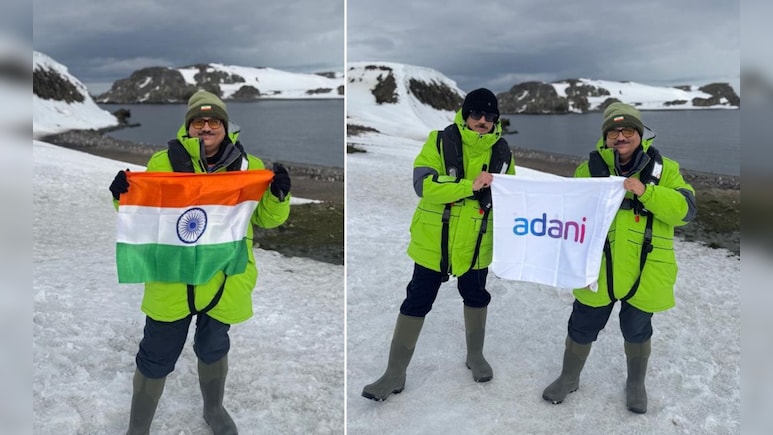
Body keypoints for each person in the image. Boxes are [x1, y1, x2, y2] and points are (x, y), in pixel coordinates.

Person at [109, 89, 292, 434]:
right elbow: (144, 211)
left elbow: (266, 218)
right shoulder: (164, 163)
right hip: (173, 277)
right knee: (156, 353)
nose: (205, 127)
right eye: (198, 121)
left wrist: (280, 196)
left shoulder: (248, 167)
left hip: (225, 275)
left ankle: (214, 409)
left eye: (213, 121)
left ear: (225, 126)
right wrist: (122, 195)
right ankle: (138, 428)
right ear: (188, 127)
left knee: (213, 346)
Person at [362, 88, 516, 401]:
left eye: (489, 115)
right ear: (465, 113)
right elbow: (423, 185)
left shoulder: (503, 151)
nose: (482, 120)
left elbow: (511, 196)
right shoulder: (438, 141)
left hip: (476, 243)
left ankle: (475, 356)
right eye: (476, 113)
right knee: (417, 301)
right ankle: (394, 373)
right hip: (435, 242)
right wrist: (468, 187)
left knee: (476, 296)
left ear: (496, 119)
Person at [541, 102, 696, 413]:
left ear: (639, 134)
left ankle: (636, 384)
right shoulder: (588, 170)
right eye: (614, 131)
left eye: (627, 130)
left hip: (645, 270)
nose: (621, 136)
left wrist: (646, 192)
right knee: (581, 325)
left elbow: (686, 211)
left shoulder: (666, 170)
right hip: (597, 269)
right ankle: (569, 377)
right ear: (606, 136)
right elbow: (569, 213)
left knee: (638, 329)